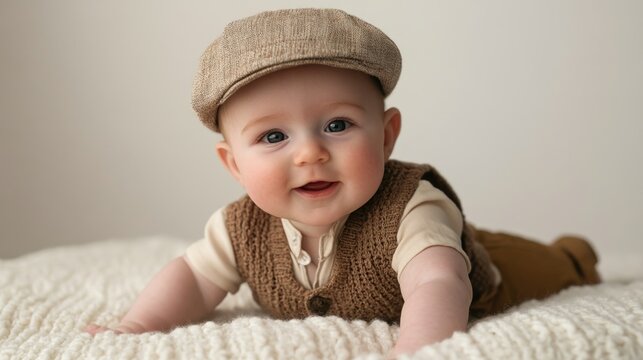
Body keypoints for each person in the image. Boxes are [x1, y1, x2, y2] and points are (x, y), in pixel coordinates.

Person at [85, 8, 600, 357]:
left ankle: (574, 253)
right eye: (272, 136)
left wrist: (418, 349)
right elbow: (194, 279)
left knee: (552, 265)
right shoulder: (239, 227)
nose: (310, 152)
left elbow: (437, 284)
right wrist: (135, 327)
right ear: (233, 164)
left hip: (486, 267)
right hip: (434, 255)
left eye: (337, 125)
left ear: (386, 136)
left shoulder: (412, 207)